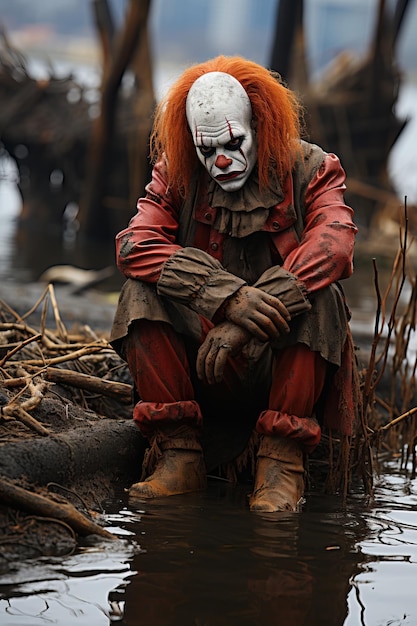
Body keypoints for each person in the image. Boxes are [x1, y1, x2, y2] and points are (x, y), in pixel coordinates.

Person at [110, 55, 359, 513]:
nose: (221, 161)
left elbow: (335, 247)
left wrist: (246, 319)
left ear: (259, 126)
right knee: (140, 291)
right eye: (208, 150)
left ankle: (281, 466)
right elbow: (134, 245)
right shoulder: (177, 172)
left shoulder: (312, 167)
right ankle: (178, 456)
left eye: (233, 142)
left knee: (325, 296)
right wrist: (225, 297)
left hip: (280, 367)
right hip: (202, 363)